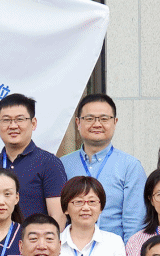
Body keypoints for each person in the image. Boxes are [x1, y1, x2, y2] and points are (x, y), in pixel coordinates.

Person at [62, 93, 149, 239]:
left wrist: (124, 253)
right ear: (78, 122)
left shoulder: (130, 167)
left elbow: (135, 224)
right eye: (89, 118)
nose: (97, 124)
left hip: (114, 251)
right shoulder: (63, 165)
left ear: (115, 122)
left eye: (104, 119)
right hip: (71, 249)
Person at [0, 93, 68, 219]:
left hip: (36, 233)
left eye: (20, 119)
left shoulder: (49, 163)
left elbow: (58, 216)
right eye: (6, 120)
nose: (13, 126)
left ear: (33, 123)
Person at [57, 176, 127, 256]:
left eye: (92, 202)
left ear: (101, 208)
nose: (86, 207)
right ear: (65, 208)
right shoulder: (55, 243)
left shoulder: (114, 243)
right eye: (78, 202)